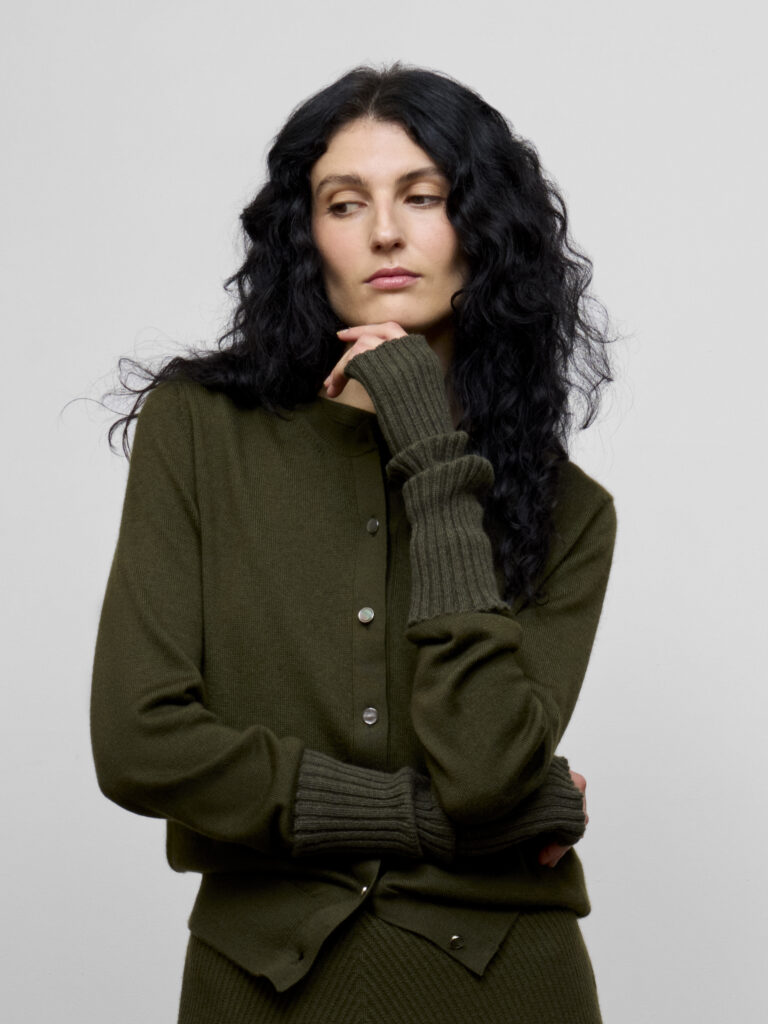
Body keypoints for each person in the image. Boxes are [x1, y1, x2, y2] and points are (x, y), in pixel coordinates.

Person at [91, 62, 616, 1023]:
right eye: (344, 203)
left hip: (506, 980)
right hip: (259, 979)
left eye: (424, 196)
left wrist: (431, 452)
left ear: (486, 230)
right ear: (307, 237)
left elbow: (485, 773)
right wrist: (423, 818)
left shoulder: (572, 511)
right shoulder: (199, 430)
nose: (384, 232)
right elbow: (140, 743)